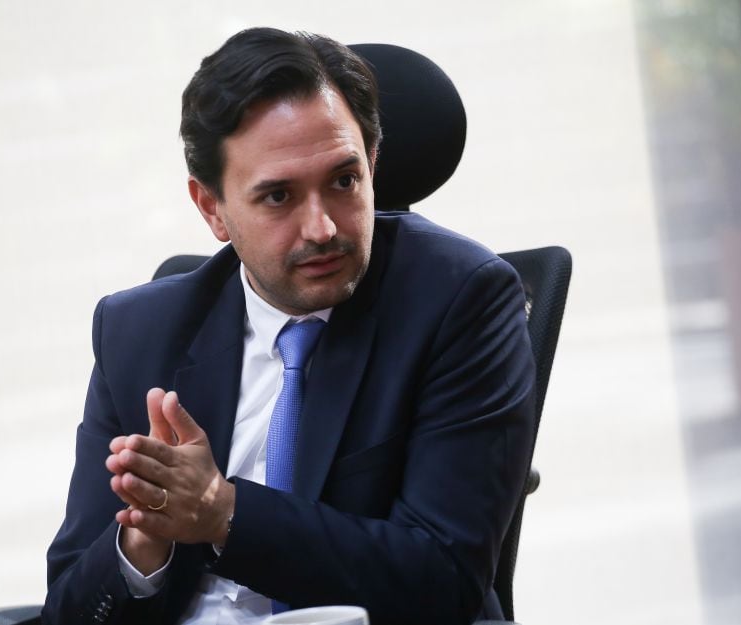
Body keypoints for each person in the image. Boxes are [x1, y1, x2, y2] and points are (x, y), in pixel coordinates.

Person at [43, 27, 535, 625]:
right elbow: (68, 610)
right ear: (212, 208)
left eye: (344, 180)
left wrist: (223, 513)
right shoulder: (137, 331)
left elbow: (441, 582)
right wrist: (142, 542)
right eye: (278, 196)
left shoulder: (459, 299)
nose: (322, 228)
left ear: (373, 165)